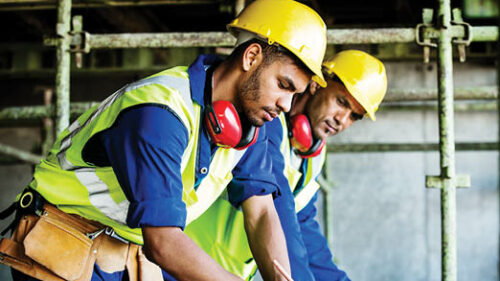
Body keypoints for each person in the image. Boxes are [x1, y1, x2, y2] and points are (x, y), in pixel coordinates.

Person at [0, 1, 327, 280]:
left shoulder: (248, 126)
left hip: (122, 255)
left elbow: (261, 213)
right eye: (284, 85)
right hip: (61, 241)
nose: (286, 105)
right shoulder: (159, 112)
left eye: (295, 94)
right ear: (251, 56)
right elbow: (164, 242)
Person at [182, 50, 388, 280]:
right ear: (317, 85)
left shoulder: (313, 156)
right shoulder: (267, 123)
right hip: (184, 260)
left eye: (354, 116)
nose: (342, 119)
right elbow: (281, 211)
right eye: (341, 102)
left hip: (228, 272)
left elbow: (303, 226)